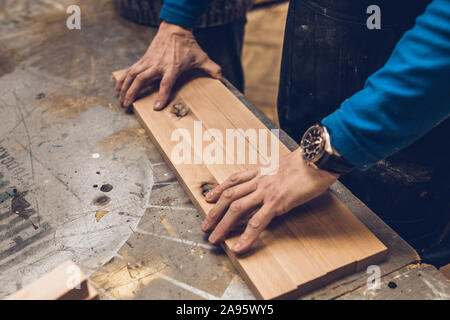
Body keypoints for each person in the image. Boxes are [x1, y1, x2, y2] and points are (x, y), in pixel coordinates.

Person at [115, 0, 450, 266]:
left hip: (416, 91)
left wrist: (340, 146)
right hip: (322, 31)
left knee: (390, 249)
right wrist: (179, 19)